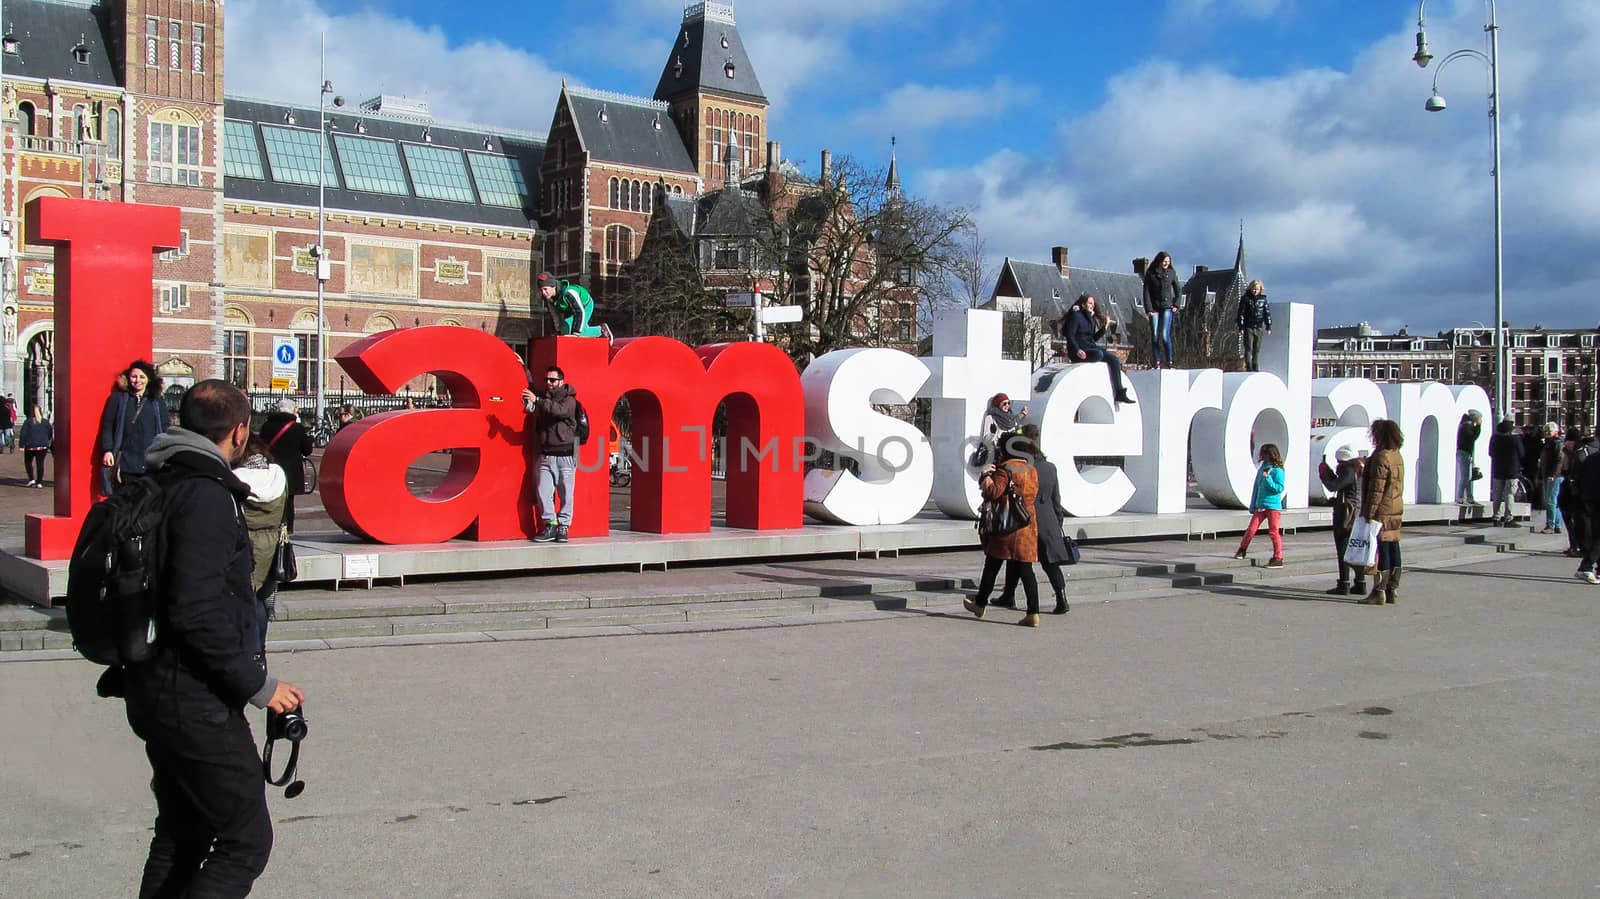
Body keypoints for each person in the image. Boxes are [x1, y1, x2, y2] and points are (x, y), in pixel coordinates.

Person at [115, 379, 305, 898]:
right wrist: (259, 687)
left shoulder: (158, 478)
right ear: (240, 431)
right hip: (191, 697)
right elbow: (197, 612)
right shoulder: (205, 495)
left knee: (183, 833)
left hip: (151, 679)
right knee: (244, 841)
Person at [992, 425, 1076, 615]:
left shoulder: (1022, 468)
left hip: (1025, 519)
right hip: (1048, 521)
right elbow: (1056, 499)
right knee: (1050, 562)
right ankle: (1061, 598)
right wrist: (1057, 521)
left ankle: (1009, 595)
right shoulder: (1049, 467)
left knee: (1018, 560)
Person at [963, 432, 1044, 627]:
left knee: (992, 565)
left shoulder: (1005, 469)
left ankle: (980, 604)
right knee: (1026, 570)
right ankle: (1033, 612)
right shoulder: (1031, 469)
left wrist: (985, 476)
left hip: (1007, 525)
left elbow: (993, 492)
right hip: (1027, 525)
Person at [232, 436, 288, 645]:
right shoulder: (277, 475)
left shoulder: (236, 477)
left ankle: (252, 647)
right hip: (273, 540)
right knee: (263, 598)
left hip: (247, 540)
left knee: (248, 597)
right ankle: (260, 648)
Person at [523, 365, 579, 543]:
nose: (549, 383)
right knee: (543, 490)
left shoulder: (569, 399)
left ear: (561, 381)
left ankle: (563, 526)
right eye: (547, 380)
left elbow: (559, 411)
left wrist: (537, 400)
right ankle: (551, 524)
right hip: (547, 454)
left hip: (565, 455)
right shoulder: (546, 397)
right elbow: (534, 390)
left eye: (552, 380)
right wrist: (524, 367)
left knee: (565, 493)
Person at [98, 360, 168, 496]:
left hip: (150, 462)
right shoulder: (118, 398)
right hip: (126, 462)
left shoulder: (157, 401)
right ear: (128, 378)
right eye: (134, 376)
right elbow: (107, 426)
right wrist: (107, 450)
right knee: (127, 501)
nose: (137, 380)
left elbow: (165, 427)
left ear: (148, 380)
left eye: (142, 377)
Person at [1360, 419, 1406, 605]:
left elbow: (1376, 489)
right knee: (1394, 545)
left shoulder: (1381, 457)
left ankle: (1379, 590)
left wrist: (1368, 513)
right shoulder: (1397, 455)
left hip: (1382, 510)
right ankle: (1392, 588)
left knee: (1381, 549)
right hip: (1395, 507)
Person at [1062, 294, 1135, 406]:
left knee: (1114, 360)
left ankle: (1120, 392)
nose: (1092, 305)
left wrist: (1104, 327)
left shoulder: (1091, 319)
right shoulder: (1076, 316)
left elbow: (1093, 338)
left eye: (1093, 303)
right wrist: (1077, 350)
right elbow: (1070, 335)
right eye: (1090, 303)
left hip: (1090, 348)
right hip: (1078, 351)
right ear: (1083, 304)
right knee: (1099, 354)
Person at [258, 399, 313, 534]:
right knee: (289, 501)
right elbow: (307, 450)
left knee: (272, 498)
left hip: (272, 468)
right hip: (291, 470)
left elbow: (260, 446)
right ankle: (287, 528)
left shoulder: (266, 426)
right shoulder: (297, 428)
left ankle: (272, 526)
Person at [1318, 445, 1367, 596]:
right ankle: (1360, 583)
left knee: (1343, 550)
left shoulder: (1349, 470)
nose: (1338, 464)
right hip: (1358, 513)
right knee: (1356, 550)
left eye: (1339, 461)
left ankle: (1344, 584)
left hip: (1347, 515)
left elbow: (1334, 486)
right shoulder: (1360, 469)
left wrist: (1325, 474)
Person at [1232, 443, 1287, 568]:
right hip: (1261, 505)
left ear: (1271, 455)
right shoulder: (1263, 468)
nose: (1262, 456)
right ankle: (1242, 549)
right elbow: (1256, 487)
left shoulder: (1278, 470)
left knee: (1273, 532)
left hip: (1273, 506)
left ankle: (1278, 557)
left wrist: (1268, 479)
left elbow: (1279, 488)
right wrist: (1253, 504)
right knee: (1251, 529)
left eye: (1264, 454)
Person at [1141, 250, 1183, 369]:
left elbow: (1178, 290)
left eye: (1168, 262)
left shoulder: (1171, 273)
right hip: (1154, 308)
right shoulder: (1150, 274)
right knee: (1154, 335)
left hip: (1166, 307)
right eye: (1164, 261)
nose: (1166, 264)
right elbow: (1146, 292)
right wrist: (1148, 309)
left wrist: (1176, 305)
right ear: (1159, 261)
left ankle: (1169, 361)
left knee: (1164, 335)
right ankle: (1157, 361)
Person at [536, 271, 603, 338]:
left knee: (581, 332)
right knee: (565, 330)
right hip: (570, 310)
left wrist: (576, 334)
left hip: (585, 305)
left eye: (545, 289)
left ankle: (601, 330)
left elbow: (580, 312)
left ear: (553, 286)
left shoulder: (569, 292)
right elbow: (555, 315)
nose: (543, 292)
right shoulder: (549, 299)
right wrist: (558, 331)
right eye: (541, 290)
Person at [1487, 416, 1524, 527]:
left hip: (1498, 470)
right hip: (1512, 471)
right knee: (1509, 494)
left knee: (1497, 494)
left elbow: (1490, 453)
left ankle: (1496, 517)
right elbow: (1522, 453)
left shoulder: (1494, 438)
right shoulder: (1515, 439)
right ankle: (1508, 518)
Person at [1575, 442, 1600, 584]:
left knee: (1596, 533)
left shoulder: (1591, 458)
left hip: (1589, 498)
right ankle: (1586, 567)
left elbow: (1579, 477)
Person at [975, 393, 1023, 467]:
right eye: (1004, 403)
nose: (1007, 405)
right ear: (998, 404)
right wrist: (993, 433)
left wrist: (1022, 414)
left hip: (1010, 452)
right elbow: (986, 438)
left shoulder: (1010, 418)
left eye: (1008, 403)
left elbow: (1016, 424)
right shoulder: (991, 417)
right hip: (997, 454)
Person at [1236, 279, 1272, 372]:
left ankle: (1255, 366)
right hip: (1248, 327)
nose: (1255, 291)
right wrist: (1241, 327)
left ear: (1260, 289)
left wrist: (1268, 326)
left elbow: (1266, 313)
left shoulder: (1263, 299)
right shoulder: (1245, 299)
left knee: (1257, 348)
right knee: (1249, 348)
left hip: (1259, 327)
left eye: (1257, 289)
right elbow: (1241, 314)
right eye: (1253, 289)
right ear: (1250, 288)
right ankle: (1249, 367)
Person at [19, 404, 53, 487]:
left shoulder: (28, 421)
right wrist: (46, 441)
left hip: (30, 445)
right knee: (40, 464)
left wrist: (22, 444)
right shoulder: (45, 422)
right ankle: (39, 482)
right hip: (42, 446)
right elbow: (50, 432)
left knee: (28, 463)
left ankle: (31, 479)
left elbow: (23, 433)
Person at [1539, 422, 1564, 534]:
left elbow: (1559, 460)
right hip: (1548, 474)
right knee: (1553, 501)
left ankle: (1551, 525)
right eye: (1546, 431)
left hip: (1553, 476)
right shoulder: (1549, 443)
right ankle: (1557, 525)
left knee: (1550, 500)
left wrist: (1553, 475)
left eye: (1549, 431)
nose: (1547, 433)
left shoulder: (1557, 443)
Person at [1455, 410, 1483, 505]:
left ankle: (1469, 497)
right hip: (1464, 453)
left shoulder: (1465, 425)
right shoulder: (1466, 426)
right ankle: (1461, 497)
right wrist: (1478, 426)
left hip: (1465, 453)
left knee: (1467, 477)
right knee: (1465, 477)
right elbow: (1472, 438)